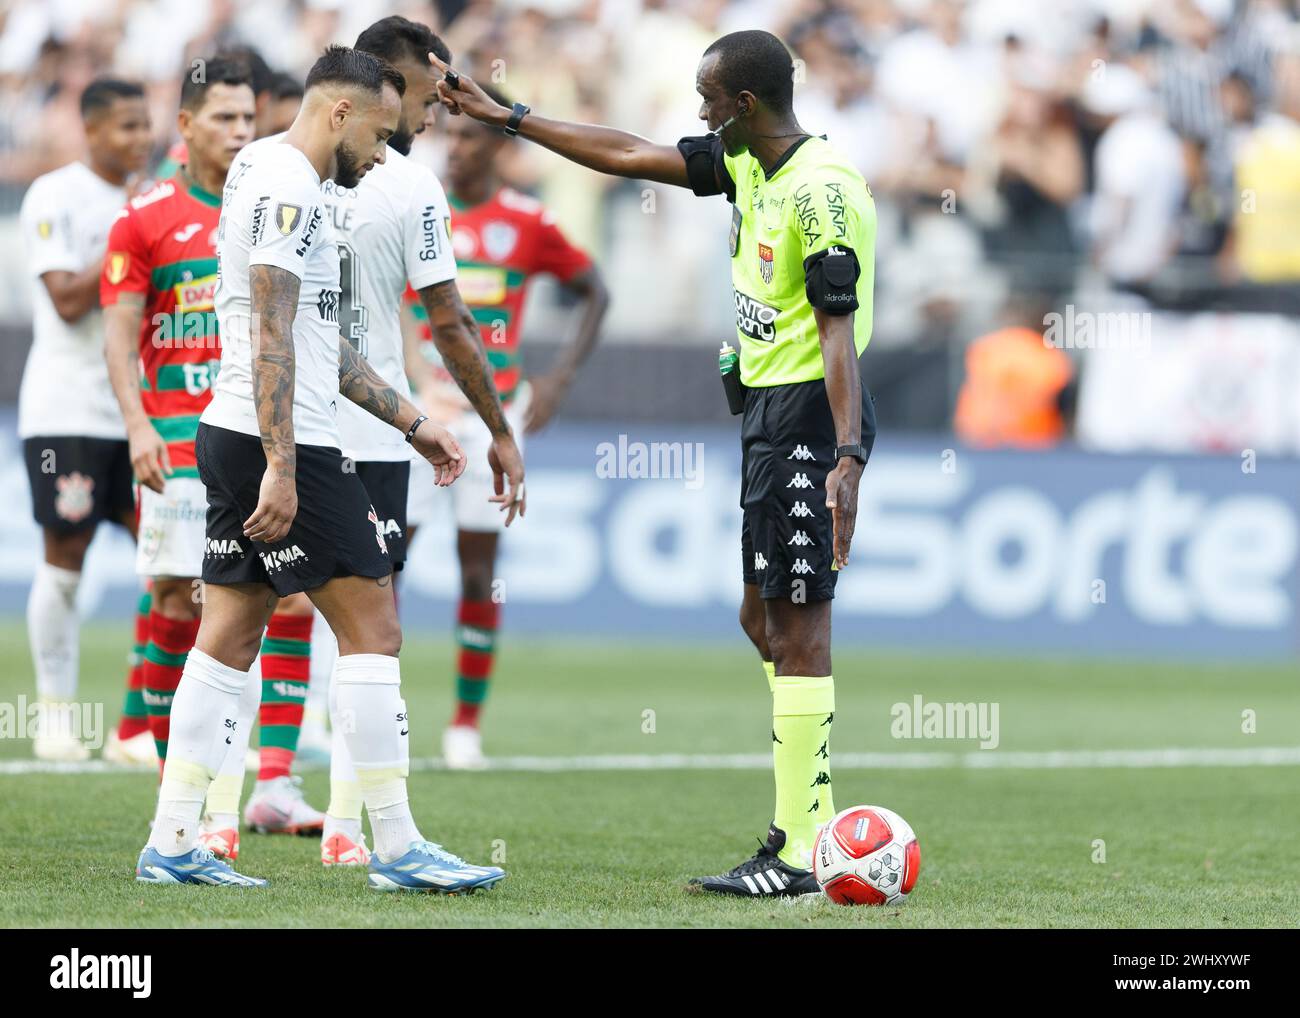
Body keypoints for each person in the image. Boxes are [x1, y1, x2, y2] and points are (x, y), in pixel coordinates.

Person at [432, 28, 877, 896]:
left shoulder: (822, 191)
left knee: (798, 624)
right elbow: (629, 155)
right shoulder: (751, 163)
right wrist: (512, 117)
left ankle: (800, 848)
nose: (700, 113)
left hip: (809, 423)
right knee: (764, 622)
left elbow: (836, 330)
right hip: (764, 412)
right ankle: (811, 817)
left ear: (746, 103)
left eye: (710, 98)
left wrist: (848, 454)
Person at [134, 45, 522, 891]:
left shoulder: (257, 167)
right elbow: (274, 331)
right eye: (381, 134)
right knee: (374, 625)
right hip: (286, 443)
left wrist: (411, 419)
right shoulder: (291, 187)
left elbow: (313, 334)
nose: (385, 154)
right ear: (340, 113)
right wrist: (283, 467)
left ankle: (172, 838)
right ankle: (394, 843)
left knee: (230, 635)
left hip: (236, 431)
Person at [405, 81, 609, 770]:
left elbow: (594, 289)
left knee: (479, 567)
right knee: (379, 559)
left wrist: (559, 379)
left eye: (468, 136)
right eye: (448, 135)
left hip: (496, 414)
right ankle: (351, 709)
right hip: (415, 411)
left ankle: (464, 726)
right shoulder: (414, 205)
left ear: (496, 144)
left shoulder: (527, 221)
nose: (455, 147)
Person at [102, 59, 256, 778]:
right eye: (226, 118)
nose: (242, 131)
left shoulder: (268, 206)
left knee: (254, 606)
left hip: (255, 439)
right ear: (188, 126)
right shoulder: (145, 217)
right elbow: (118, 331)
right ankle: (175, 778)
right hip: (174, 439)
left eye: (250, 119)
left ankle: (232, 760)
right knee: (174, 594)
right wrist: (135, 425)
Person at [19, 78, 152, 762]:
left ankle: (138, 724)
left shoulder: (155, 201)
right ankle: (55, 716)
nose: (139, 139)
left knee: (164, 564)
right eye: (126, 126)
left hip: (141, 414)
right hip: (67, 409)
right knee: (64, 558)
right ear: (92, 129)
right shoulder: (56, 195)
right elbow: (68, 297)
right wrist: (131, 236)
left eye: (145, 126)